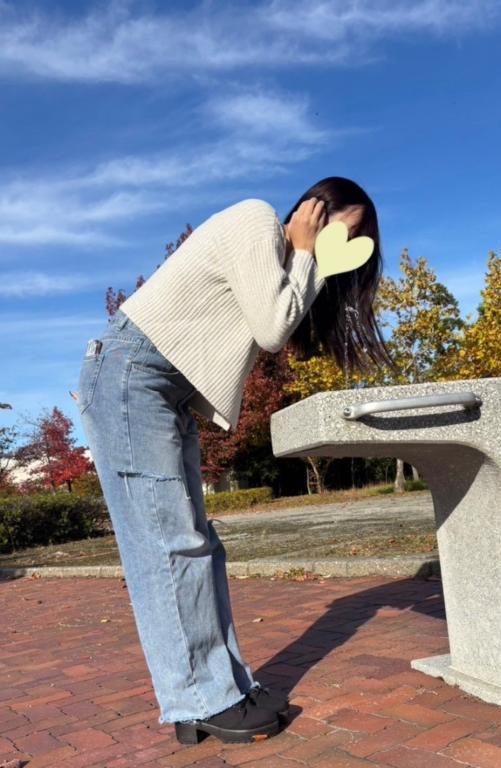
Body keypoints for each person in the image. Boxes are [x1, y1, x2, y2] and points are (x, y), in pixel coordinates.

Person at [73, 176, 395, 745]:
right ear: (315, 209)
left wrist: (304, 263)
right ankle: (201, 700)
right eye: (343, 231)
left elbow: (271, 323)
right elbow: (272, 331)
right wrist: (303, 254)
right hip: (130, 376)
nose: (338, 250)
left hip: (158, 387)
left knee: (198, 543)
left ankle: (225, 685)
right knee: (171, 545)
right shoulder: (256, 218)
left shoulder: (287, 260)